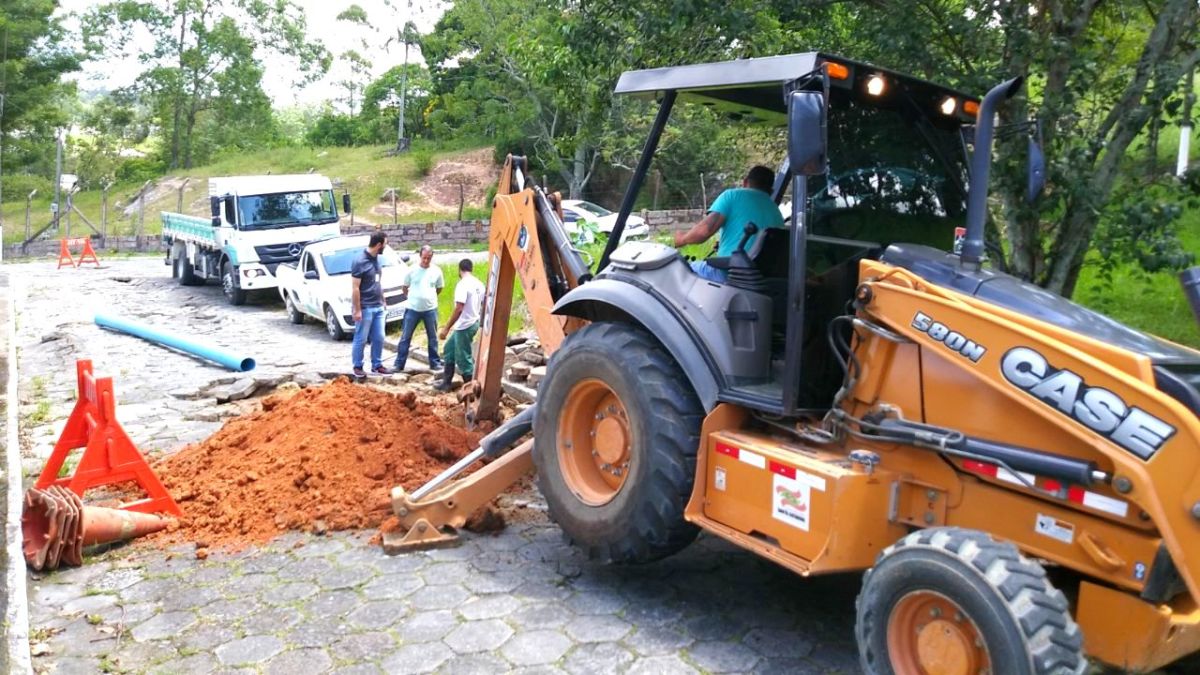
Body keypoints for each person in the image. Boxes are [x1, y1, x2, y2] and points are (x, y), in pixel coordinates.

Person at [673, 165, 784, 283]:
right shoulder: (776, 212)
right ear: (771, 191)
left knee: (681, 269)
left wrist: (681, 239)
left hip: (729, 275)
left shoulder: (732, 196)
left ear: (745, 182)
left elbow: (704, 231)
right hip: (760, 279)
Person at [434, 258, 485, 391]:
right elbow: (483, 304)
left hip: (465, 325)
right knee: (449, 350)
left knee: (463, 359)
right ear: (471, 269)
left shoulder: (462, 284)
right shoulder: (479, 284)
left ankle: (471, 388)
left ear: (459, 269)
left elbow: (459, 308)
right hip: (473, 321)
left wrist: (446, 328)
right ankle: (446, 383)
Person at [393, 244, 445, 372]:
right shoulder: (411, 270)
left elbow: (439, 287)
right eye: (424, 258)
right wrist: (413, 298)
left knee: (432, 337)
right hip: (412, 309)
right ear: (420, 256)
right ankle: (399, 363)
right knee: (406, 336)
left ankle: (434, 362)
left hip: (430, 309)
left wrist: (429, 297)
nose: (426, 261)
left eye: (428, 258)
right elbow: (405, 287)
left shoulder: (436, 271)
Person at [350, 232, 392, 379]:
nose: (386, 247)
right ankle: (357, 366)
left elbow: (378, 282)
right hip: (365, 307)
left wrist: (383, 299)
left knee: (379, 337)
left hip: (378, 305)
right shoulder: (360, 261)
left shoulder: (377, 260)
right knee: (361, 338)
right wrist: (357, 309)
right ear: (379, 245)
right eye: (385, 244)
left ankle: (377, 364)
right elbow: (355, 287)